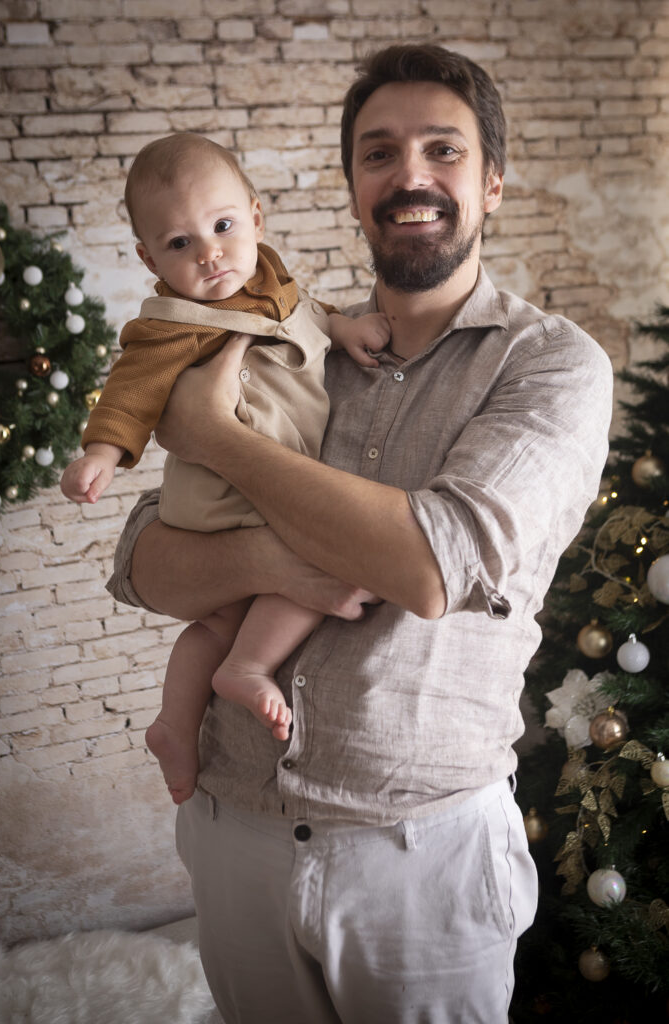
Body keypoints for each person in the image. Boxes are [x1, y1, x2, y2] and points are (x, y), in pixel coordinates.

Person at [107, 43, 614, 1023]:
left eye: (441, 149)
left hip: (415, 861)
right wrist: (260, 556)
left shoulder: (550, 366)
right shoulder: (293, 346)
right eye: (378, 153)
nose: (408, 174)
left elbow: (430, 564)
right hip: (231, 829)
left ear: (491, 182)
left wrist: (215, 435)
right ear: (351, 187)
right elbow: (143, 559)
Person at [60, 133, 390, 803]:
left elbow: (309, 315)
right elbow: (130, 390)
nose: (209, 252)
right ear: (147, 257)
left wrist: (343, 329)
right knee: (324, 552)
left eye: (222, 226)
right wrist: (102, 452)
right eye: (179, 244)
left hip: (245, 483)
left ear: (256, 217)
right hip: (221, 491)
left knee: (213, 620)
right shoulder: (171, 325)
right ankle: (246, 667)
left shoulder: (273, 284)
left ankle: (174, 727)